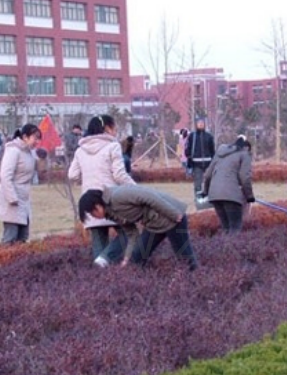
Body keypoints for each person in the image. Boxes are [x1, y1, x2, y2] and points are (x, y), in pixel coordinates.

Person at [68, 114, 137, 267]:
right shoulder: (113, 146)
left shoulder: (81, 150)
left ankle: (99, 273)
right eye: (114, 128)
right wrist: (136, 190)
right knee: (128, 234)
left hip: (91, 203)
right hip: (111, 200)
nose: (115, 131)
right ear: (106, 128)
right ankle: (111, 263)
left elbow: (72, 175)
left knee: (99, 249)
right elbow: (119, 175)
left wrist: (86, 180)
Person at [78, 184, 198, 271]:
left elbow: (149, 196)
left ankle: (197, 285)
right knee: (136, 259)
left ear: (97, 206)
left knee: (185, 259)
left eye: (92, 213)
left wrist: (173, 213)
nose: (94, 216)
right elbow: (131, 233)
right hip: (154, 225)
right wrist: (126, 259)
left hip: (173, 217)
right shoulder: (111, 213)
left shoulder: (118, 196)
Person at [0, 124, 41, 244]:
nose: (37, 141)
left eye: (38, 138)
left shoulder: (29, 152)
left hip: (23, 200)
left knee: (23, 237)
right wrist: (12, 198)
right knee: (10, 237)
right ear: (25, 137)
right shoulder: (13, 151)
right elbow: (5, 176)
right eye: (35, 138)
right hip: (12, 200)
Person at [201, 134, 255, 233]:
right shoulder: (245, 154)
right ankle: (232, 247)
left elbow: (208, 174)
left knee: (226, 228)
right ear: (246, 146)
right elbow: (245, 177)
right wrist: (249, 196)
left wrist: (205, 191)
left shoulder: (219, 153)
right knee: (235, 228)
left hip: (214, 195)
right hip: (232, 196)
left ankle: (224, 247)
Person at [185, 117, 215, 199]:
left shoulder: (209, 136)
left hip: (208, 164)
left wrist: (214, 161)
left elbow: (212, 150)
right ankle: (198, 199)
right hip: (196, 164)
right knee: (198, 183)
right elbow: (187, 149)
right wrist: (189, 158)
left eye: (202, 123)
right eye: (199, 123)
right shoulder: (192, 136)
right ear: (196, 124)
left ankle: (209, 198)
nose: (201, 124)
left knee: (209, 181)